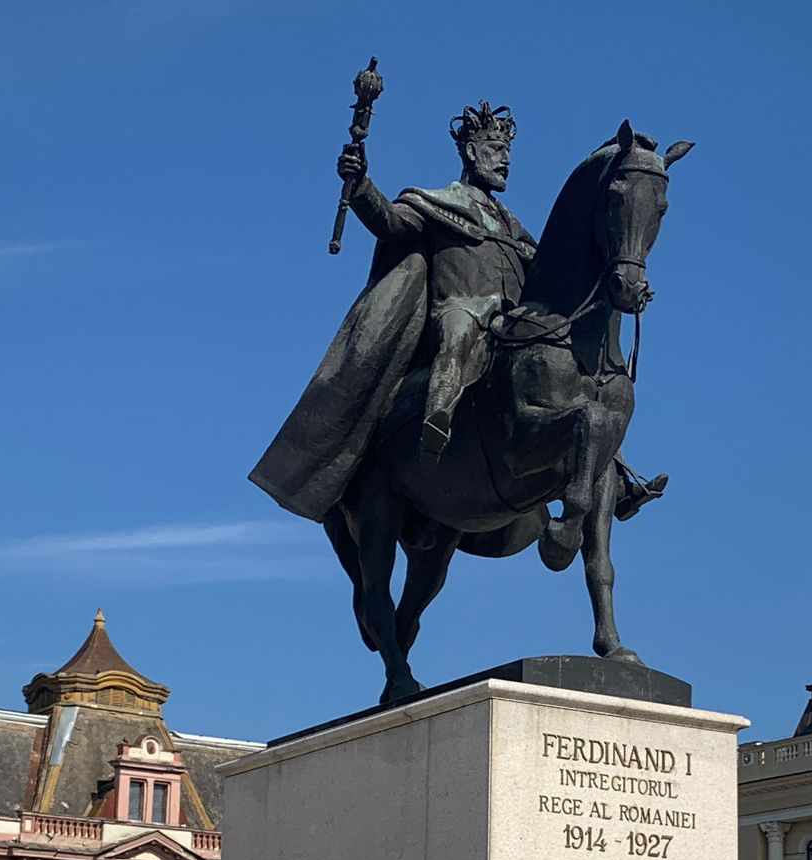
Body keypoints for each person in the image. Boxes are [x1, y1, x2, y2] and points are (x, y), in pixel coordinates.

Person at [250, 99, 665, 563]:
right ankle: (438, 416)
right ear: (470, 152)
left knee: (579, 376)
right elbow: (389, 222)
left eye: (507, 152)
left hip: (511, 325)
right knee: (460, 329)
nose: (504, 160)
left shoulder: (514, 229)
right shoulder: (438, 205)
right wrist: (361, 183)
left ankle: (616, 470)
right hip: (459, 310)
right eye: (494, 150)